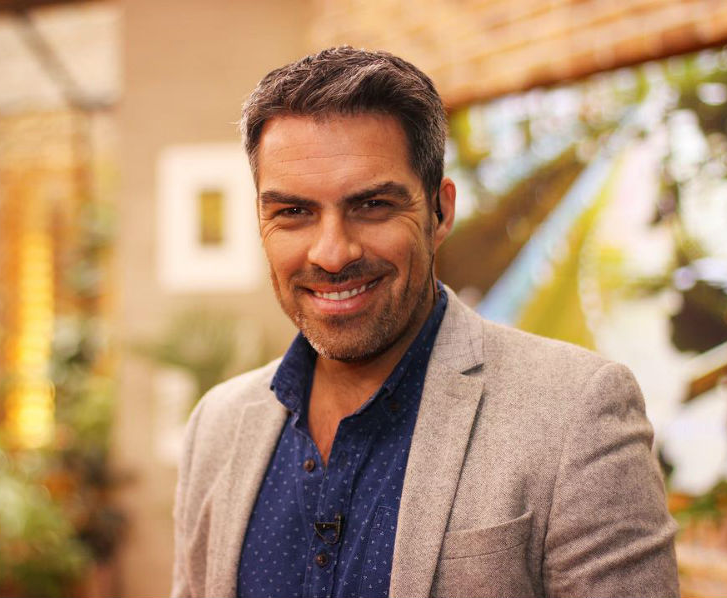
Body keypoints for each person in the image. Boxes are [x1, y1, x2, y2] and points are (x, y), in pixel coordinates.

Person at [170, 47, 679, 598]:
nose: (332, 253)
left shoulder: (577, 415)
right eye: (293, 212)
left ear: (441, 212)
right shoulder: (217, 425)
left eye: (372, 205)